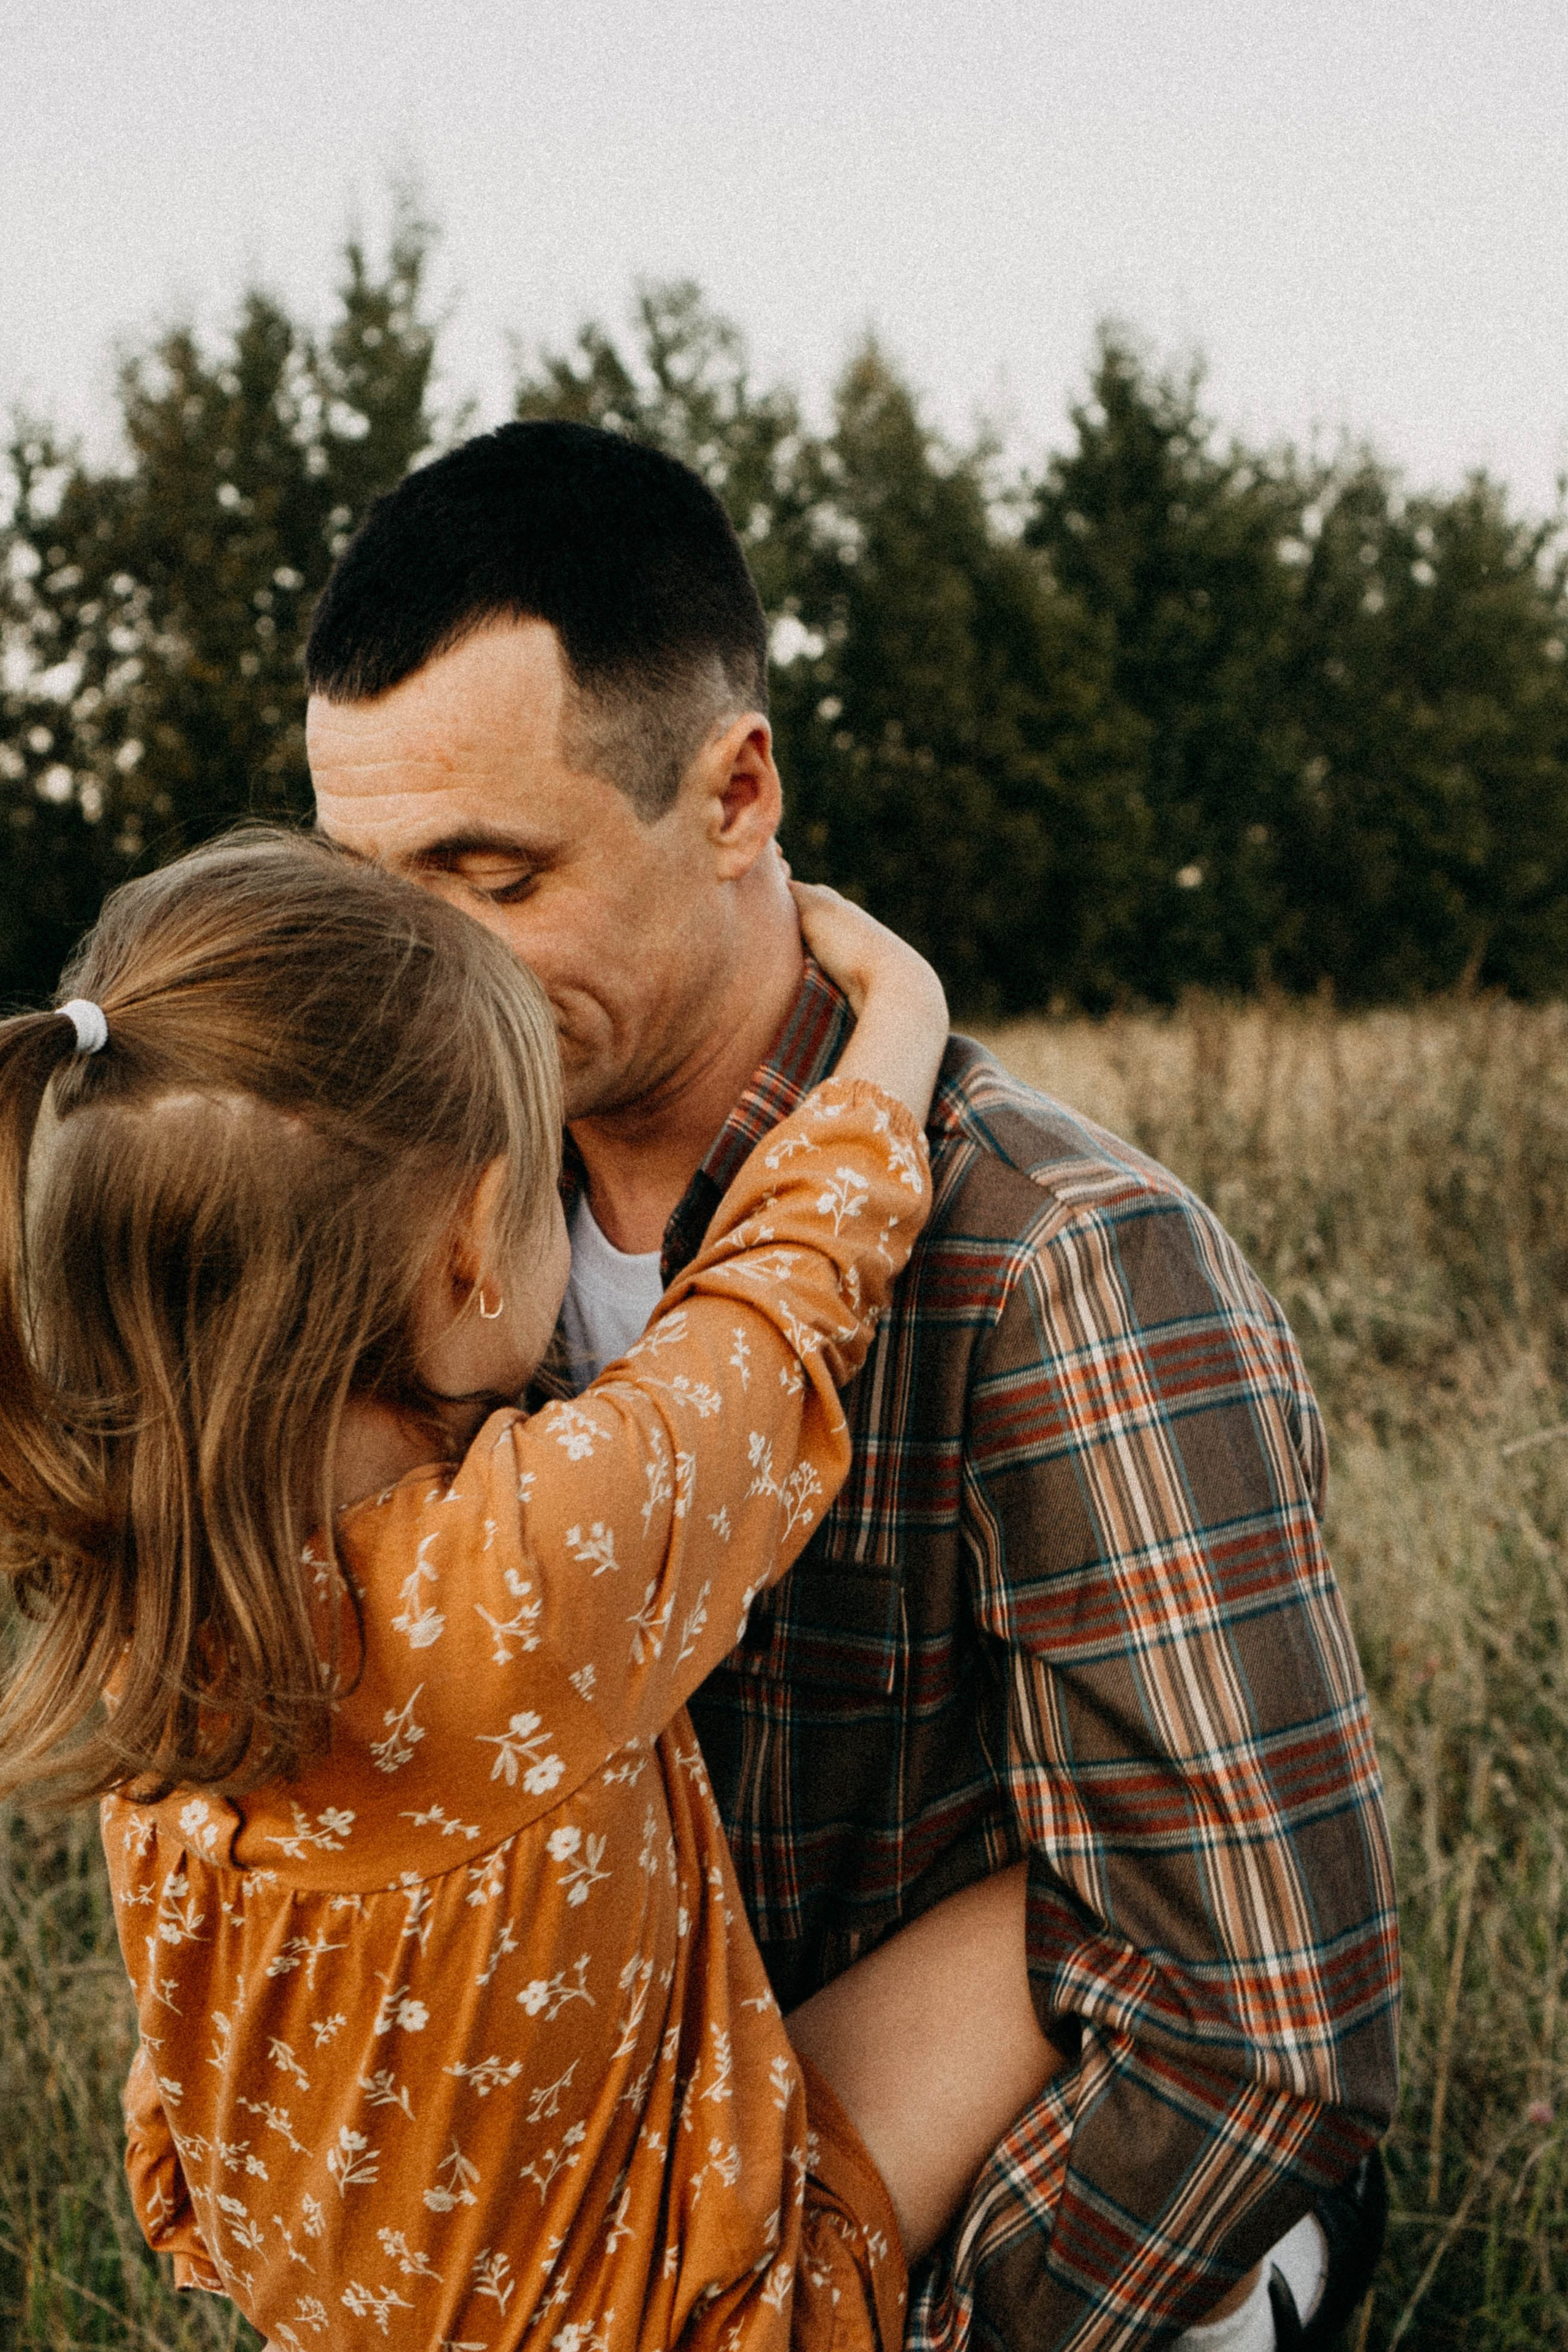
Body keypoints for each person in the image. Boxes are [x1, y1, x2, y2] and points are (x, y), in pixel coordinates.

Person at [305, 421, 1401, 2352]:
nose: (414, 978)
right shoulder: (397, 1254)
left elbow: (1259, 2029)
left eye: (494, 875)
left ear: (735, 793)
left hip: (978, 2230)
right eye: (371, 892)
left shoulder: (1062, 1264)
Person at [0, 828, 1076, 2351]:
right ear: (467, 1255)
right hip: (682, 2319)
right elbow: (773, 1318)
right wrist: (900, 1010)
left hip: (343, 2299)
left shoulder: (133, 1600)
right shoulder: (519, 1563)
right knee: (1066, 1890)